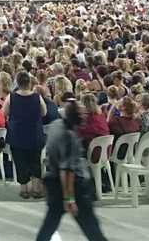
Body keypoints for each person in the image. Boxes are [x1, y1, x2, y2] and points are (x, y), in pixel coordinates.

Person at [35, 101, 110, 241]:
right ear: (77, 117)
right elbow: (67, 171)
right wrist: (69, 198)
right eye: (82, 115)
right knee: (91, 226)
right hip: (73, 188)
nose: (85, 117)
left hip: (53, 182)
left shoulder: (55, 125)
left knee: (49, 225)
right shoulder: (69, 137)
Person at [4, 71, 46, 199]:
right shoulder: (37, 97)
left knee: (20, 161)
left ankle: (24, 189)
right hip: (34, 133)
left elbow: (4, 112)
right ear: (29, 82)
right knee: (35, 160)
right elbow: (44, 112)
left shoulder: (11, 97)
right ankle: (37, 188)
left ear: (17, 83)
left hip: (17, 134)